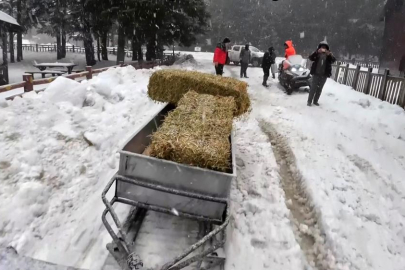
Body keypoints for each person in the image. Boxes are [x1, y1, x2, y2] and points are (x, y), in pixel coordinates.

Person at [307, 41, 336, 107]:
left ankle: (315, 101)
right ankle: (309, 101)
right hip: (316, 74)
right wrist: (316, 52)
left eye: (325, 48)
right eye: (322, 47)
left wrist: (330, 55)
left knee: (319, 89)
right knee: (313, 88)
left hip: (324, 75)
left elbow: (333, 60)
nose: (323, 49)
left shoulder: (328, 55)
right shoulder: (317, 53)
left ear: (327, 49)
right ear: (319, 48)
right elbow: (311, 58)